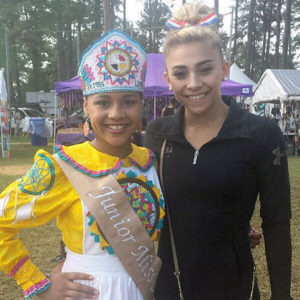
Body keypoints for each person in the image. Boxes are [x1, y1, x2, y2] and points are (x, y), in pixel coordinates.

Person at [0, 30, 165, 300]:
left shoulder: (150, 162)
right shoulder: (63, 168)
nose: (116, 114)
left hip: (147, 288)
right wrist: (39, 286)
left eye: (128, 101)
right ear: (86, 106)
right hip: (88, 292)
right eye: (103, 102)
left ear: (141, 106)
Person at [144, 2, 292, 299]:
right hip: (172, 290)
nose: (194, 83)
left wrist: (282, 296)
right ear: (168, 79)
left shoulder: (261, 134)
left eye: (205, 69)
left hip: (237, 289)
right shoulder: (158, 134)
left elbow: (276, 223)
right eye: (181, 73)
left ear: (224, 69)